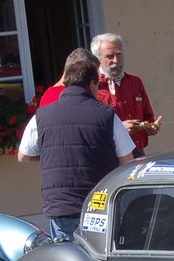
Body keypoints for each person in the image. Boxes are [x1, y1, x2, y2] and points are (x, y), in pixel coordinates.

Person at [18, 49, 134, 241]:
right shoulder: (107, 115)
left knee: (66, 257)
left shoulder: (42, 115)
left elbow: (23, 156)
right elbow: (127, 160)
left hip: (60, 204)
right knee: (99, 254)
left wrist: (51, 154)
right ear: (92, 84)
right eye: (98, 85)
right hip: (98, 201)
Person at [91, 33, 162, 157]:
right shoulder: (93, 86)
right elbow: (91, 129)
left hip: (138, 153)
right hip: (110, 157)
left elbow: (147, 116)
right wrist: (119, 130)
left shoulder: (135, 82)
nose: (116, 60)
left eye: (119, 54)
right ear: (98, 59)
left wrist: (150, 126)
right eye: (110, 56)